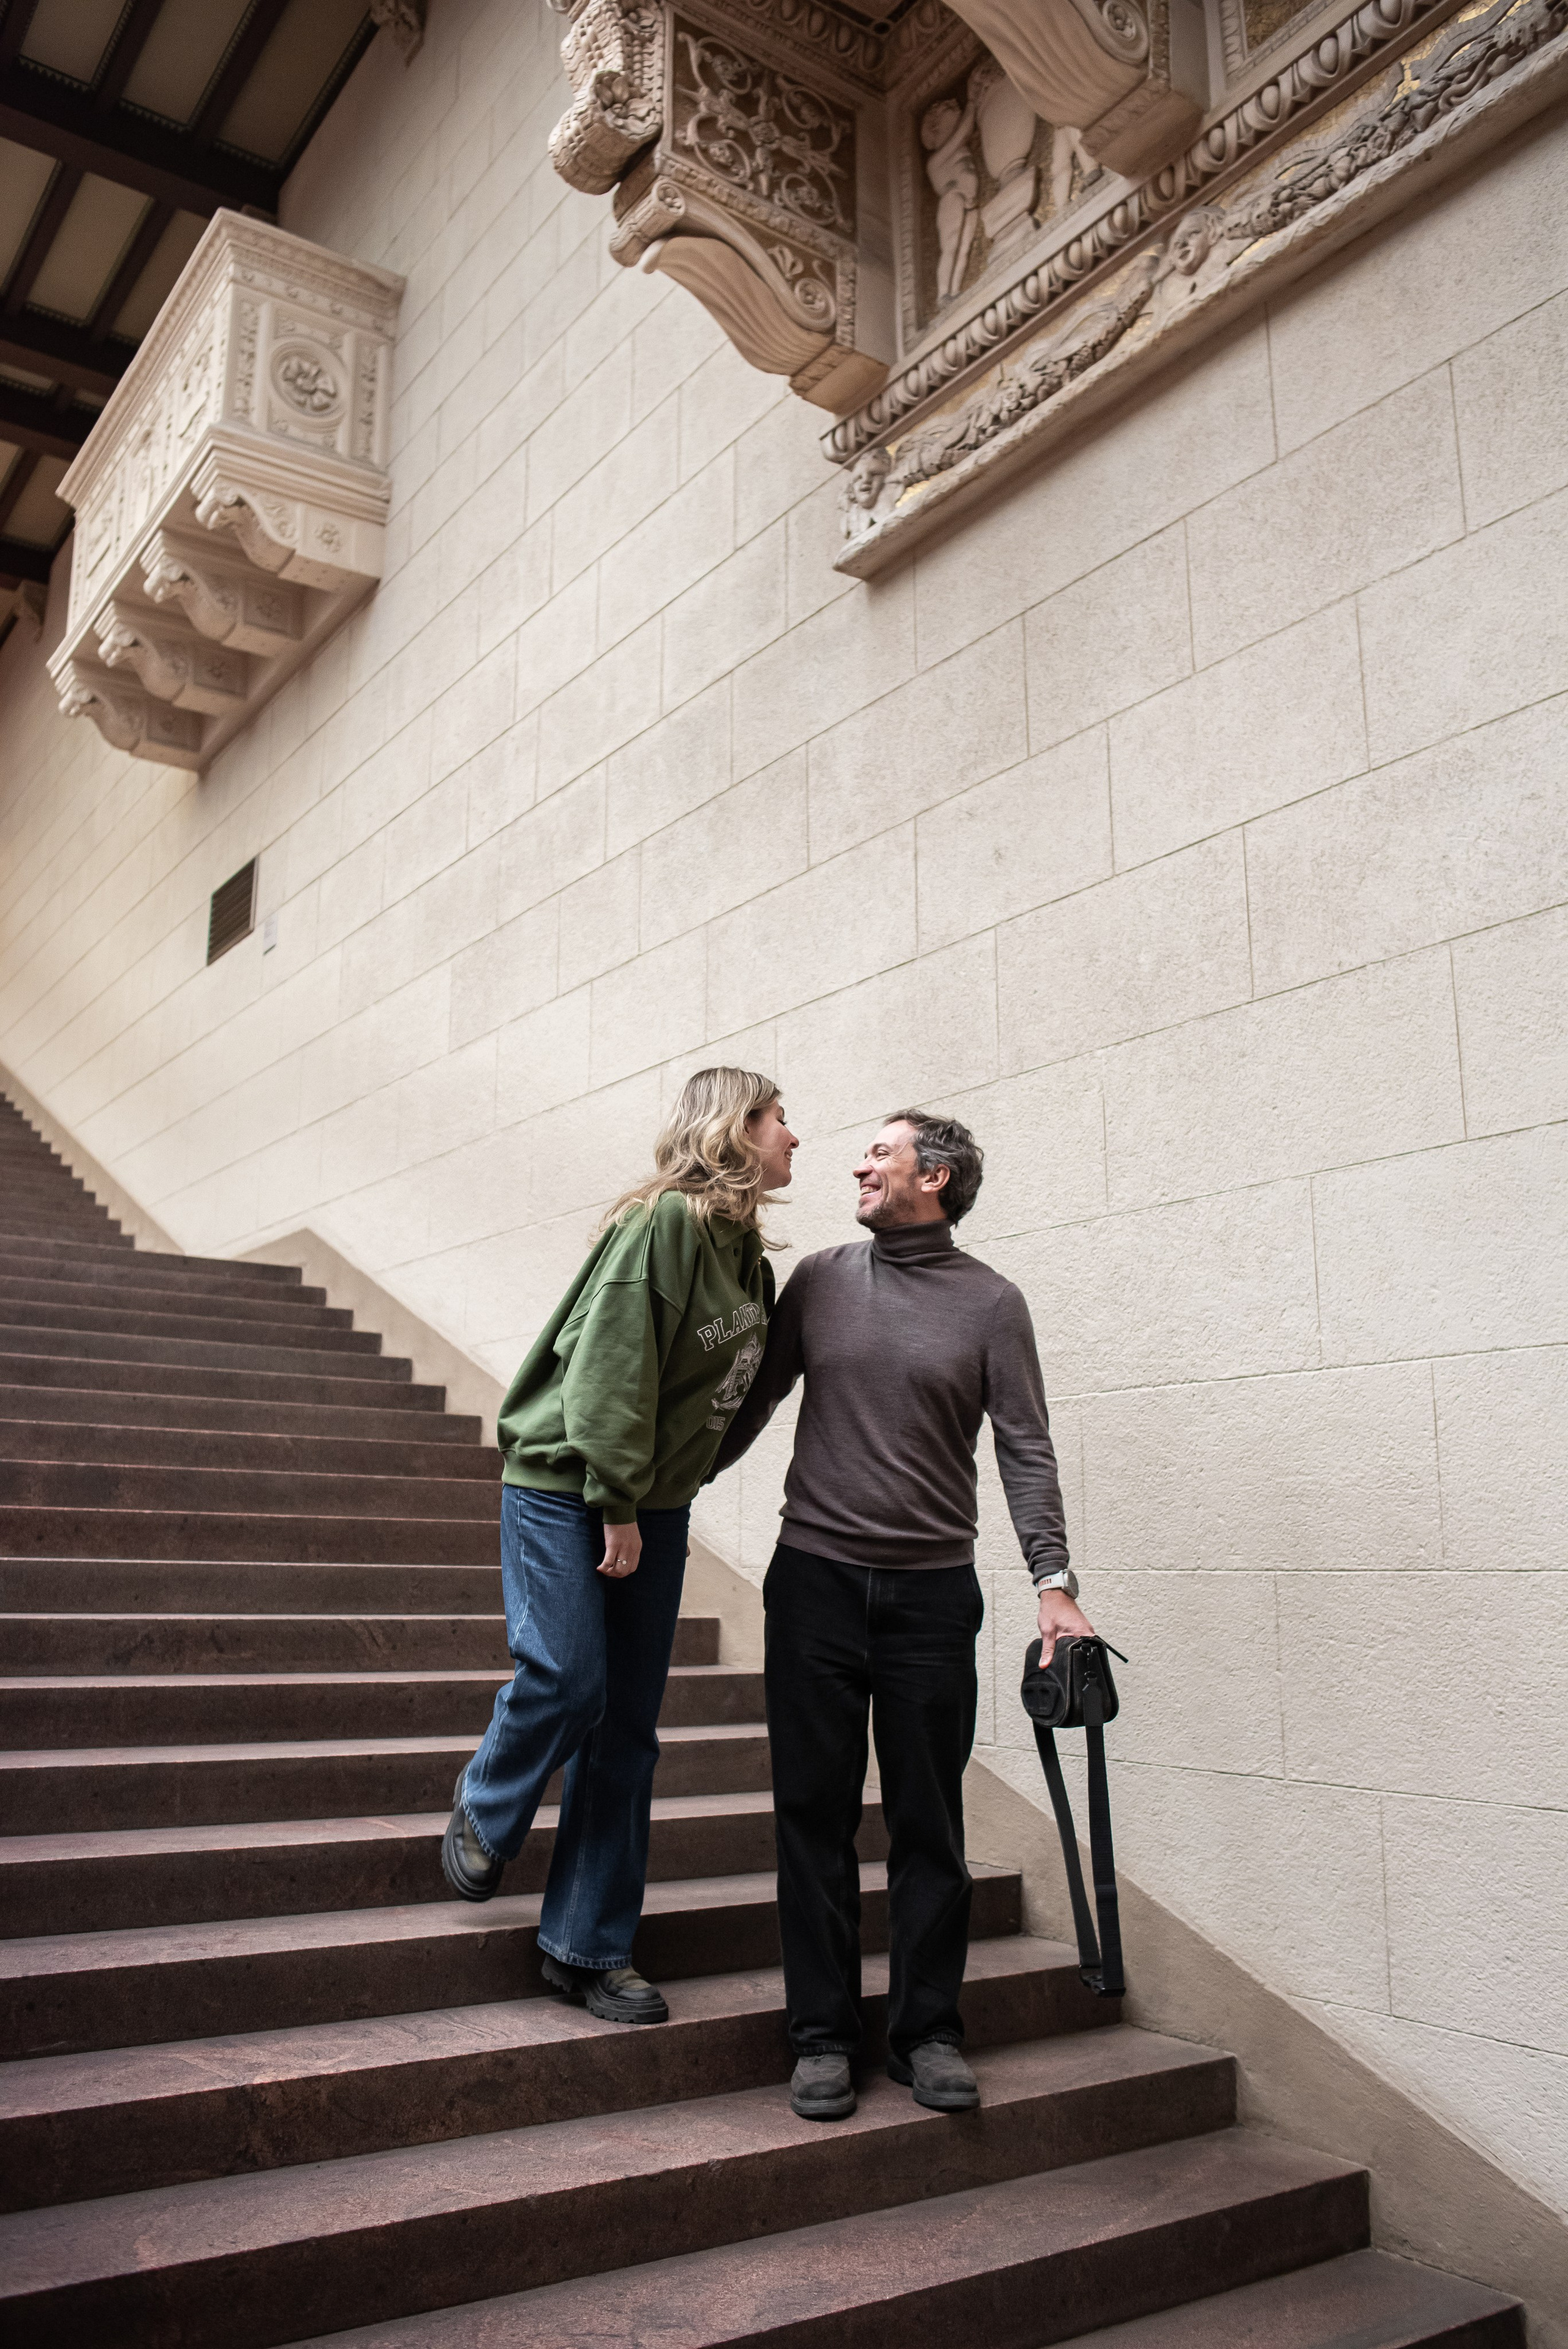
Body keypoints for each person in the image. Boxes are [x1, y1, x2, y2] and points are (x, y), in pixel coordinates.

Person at [710, 1109, 1093, 2117]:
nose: (858, 1164)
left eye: (879, 1153)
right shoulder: (822, 1280)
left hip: (929, 1597)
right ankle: (824, 2036)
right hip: (815, 1585)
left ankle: (926, 2032)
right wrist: (649, 1493)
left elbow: (1025, 1446)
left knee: (929, 1824)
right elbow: (748, 1407)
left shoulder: (992, 1305)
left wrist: (1054, 1584)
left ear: (937, 1176)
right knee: (815, 1818)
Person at [441, 1068, 798, 2024]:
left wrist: (676, 1485)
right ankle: (487, 1802)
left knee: (628, 1735)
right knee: (567, 1676)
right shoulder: (666, 1223)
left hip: (651, 1499)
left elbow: (721, 1396)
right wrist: (616, 1501)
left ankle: (587, 1947)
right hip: (570, 1485)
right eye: (776, 1119)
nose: (793, 1138)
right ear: (732, 1129)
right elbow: (610, 1368)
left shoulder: (747, 1258)